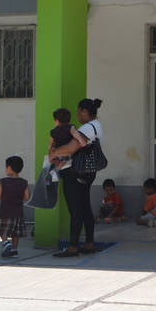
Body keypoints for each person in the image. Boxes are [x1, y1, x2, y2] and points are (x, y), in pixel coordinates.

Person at [51, 98, 104, 257]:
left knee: (75, 209)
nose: (77, 115)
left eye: (78, 112)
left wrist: (54, 153)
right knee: (85, 207)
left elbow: (71, 148)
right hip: (87, 172)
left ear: (84, 111)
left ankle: (73, 247)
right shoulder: (96, 125)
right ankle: (89, 243)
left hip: (75, 173)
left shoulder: (87, 127)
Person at [0, 155, 30, 258]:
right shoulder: (24, 182)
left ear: (9, 167)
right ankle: (14, 250)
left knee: (3, 230)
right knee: (16, 233)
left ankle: (6, 242)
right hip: (18, 212)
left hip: (5, 211)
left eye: (6, 167)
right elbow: (27, 197)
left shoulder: (3, 181)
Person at [48, 107, 78, 182]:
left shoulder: (53, 131)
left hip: (57, 151)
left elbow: (50, 144)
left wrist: (51, 152)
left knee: (56, 161)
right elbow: (76, 138)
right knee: (64, 161)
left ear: (57, 121)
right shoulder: (71, 128)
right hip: (66, 152)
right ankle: (55, 171)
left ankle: (55, 172)